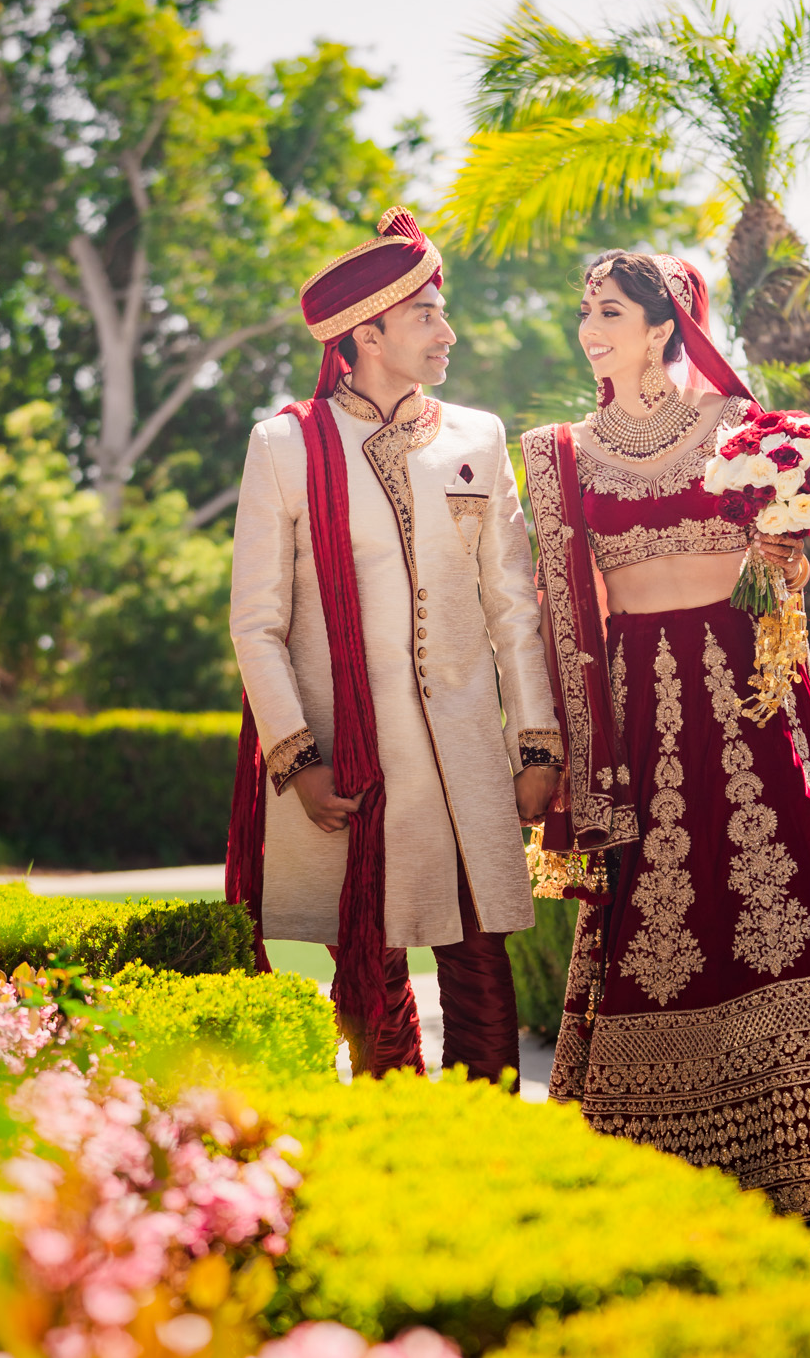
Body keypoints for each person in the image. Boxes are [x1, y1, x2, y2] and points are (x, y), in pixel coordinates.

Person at [524, 249, 810, 1218]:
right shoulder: (561, 452)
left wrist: (783, 547)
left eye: (608, 310)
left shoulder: (740, 430)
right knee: (660, 912)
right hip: (639, 702)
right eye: (584, 311)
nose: (589, 329)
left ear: (661, 323)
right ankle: (661, 1157)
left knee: (782, 888)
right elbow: (555, 609)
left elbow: (784, 569)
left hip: (746, 691)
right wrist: (564, 756)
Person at [225, 207, 563, 1082]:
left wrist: (536, 742)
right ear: (366, 333)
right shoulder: (286, 446)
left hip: (463, 756)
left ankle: (491, 1147)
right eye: (426, 316)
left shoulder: (476, 437)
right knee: (368, 960)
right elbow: (256, 623)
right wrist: (296, 757)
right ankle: (396, 1141)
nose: (448, 332)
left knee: (481, 954)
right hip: (354, 759)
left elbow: (513, 607)